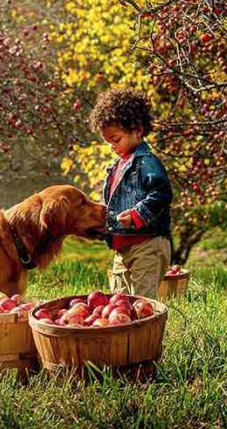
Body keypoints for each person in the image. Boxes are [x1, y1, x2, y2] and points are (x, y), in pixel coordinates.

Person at [90, 89, 173, 298]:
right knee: (119, 301)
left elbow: (161, 193)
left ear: (137, 130)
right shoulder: (116, 167)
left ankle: (147, 331)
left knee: (142, 303)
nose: (111, 146)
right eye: (107, 141)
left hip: (147, 245)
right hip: (122, 248)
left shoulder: (146, 162)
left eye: (115, 139)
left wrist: (137, 214)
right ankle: (125, 331)